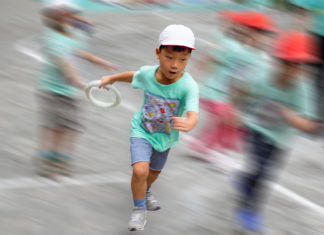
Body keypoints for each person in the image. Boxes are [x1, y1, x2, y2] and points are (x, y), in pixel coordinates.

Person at [99, 24, 199, 231]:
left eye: (183, 60)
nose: (175, 65)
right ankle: (139, 210)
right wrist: (112, 78)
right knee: (140, 170)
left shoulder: (189, 86)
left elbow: (193, 114)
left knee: (153, 173)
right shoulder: (148, 74)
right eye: (169, 57)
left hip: (165, 138)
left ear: (188, 59)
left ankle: (146, 190)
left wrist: (189, 123)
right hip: (142, 130)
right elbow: (132, 76)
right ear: (158, 53)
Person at [232, 30, 322, 233]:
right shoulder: (262, 77)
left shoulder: (302, 87)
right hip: (256, 128)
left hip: (281, 138)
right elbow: (244, 90)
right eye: (291, 64)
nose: (296, 71)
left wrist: (290, 116)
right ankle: (249, 209)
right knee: (260, 169)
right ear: (279, 62)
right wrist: (236, 110)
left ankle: (245, 181)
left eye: (300, 65)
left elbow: (308, 124)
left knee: (265, 174)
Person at [36, 1, 116, 180]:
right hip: (55, 90)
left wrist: (100, 62)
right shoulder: (53, 40)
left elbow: (80, 52)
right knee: (57, 127)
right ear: (53, 18)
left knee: (72, 127)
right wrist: (80, 83)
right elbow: (65, 66)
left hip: (72, 91)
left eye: (71, 15)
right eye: (66, 15)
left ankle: (64, 160)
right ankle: (48, 162)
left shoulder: (69, 32)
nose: (74, 18)